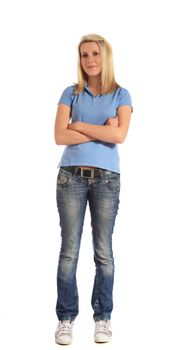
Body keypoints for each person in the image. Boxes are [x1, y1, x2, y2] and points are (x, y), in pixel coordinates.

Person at [54, 33, 133, 345]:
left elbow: (121, 136)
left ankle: (102, 318)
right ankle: (65, 318)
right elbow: (60, 136)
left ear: (105, 57)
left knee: (104, 253)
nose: (89, 60)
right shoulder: (70, 92)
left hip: (106, 179)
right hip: (70, 177)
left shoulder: (122, 95)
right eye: (84, 55)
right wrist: (102, 130)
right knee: (69, 252)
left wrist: (79, 126)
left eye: (95, 54)